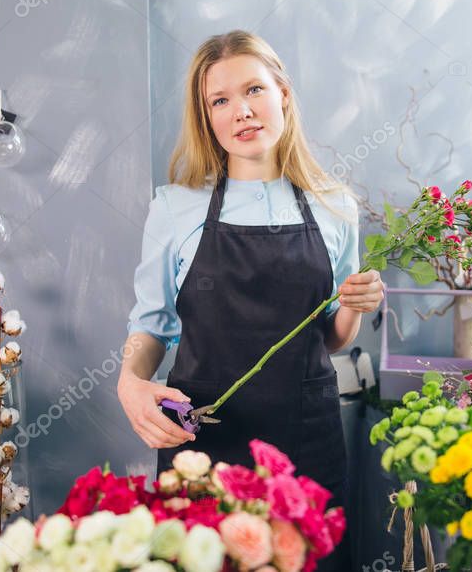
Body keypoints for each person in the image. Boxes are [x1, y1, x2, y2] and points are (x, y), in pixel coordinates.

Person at [118, 29, 384, 570]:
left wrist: (355, 304)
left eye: (254, 90)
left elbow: (331, 337)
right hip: (205, 442)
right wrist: (130, 382)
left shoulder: (334, 206)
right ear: (207, 116)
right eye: (221, 100)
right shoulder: (174, 207)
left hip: (307, 442)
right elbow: (151, 326)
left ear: (282, 93)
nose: (242, 110)